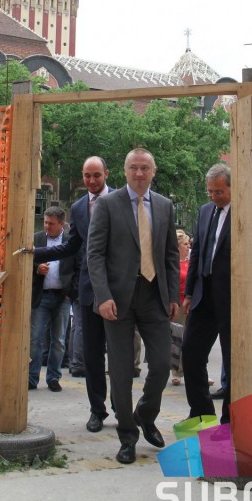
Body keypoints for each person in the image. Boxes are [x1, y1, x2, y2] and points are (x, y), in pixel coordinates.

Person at [87, 147, 179, 465]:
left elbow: (170, 255)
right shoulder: (107, 205)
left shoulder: (165, 206)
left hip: (154, 297)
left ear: (153, 172)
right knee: (122, 371)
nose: (139, 173)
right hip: (117, 300)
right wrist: (102, 296)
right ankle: (127, 436)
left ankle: (145, 414)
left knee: (162, 365)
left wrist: (172, 295)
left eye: (145, 168)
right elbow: (95, 254)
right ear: (125, 171)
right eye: (133, 168)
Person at [32, 156, 115, 432]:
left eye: (96, 175)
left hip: (117, 290)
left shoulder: (121, 199)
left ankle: (121, 407)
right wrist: (35, 252)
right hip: (88, 292)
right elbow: (71, 247)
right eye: (86, 176)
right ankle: (97, 410)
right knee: (91, 354)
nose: (91, 181)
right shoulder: (79, 207)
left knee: (119, 355)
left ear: (106, 174)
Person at [182, 163, 232, 424]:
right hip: (203, 295)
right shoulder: (204, 212)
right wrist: (189, 292)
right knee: (191, 353)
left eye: (219, 192)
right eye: (210, 192)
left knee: (232, 362)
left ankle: (230, 422)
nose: (213, 197)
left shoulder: (244, 212)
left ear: (232, 188)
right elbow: (197, 254)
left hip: (231, 298)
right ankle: (202, 413)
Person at [28, 207, 74, 392]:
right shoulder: (36, 239)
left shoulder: (70, 241)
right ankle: (31, 378)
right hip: (41, 296)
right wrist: (37, 268)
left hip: (63, 297)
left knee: (59, 340)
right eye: (46, 222)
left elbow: (78, 265)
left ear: (62, 224)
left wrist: (71, 291)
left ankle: (54, 378)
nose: (47, 226)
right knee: (35, 339)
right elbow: (26, 260)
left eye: (51, 223)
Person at [170, 229, 191, 386]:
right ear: (178, 247)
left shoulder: (191, 262)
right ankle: (175, 372)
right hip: (177, 304)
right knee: (176, 339)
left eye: (189, 243)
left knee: (191, 339)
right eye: (185, 244)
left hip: (191, 304)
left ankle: (192, 370)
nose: (188, 246)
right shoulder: (173, 264)